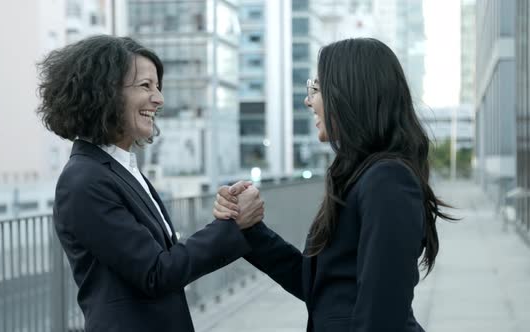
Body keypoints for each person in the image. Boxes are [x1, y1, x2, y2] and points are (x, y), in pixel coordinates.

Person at [214, 38, 454, 332]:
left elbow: (381, 316)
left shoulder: (388, 181)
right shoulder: (360, 175)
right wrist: (249, 228)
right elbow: (321, 287)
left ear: (350, 93)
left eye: (316, 88)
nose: (308, 100)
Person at [37, 35, 264, 332]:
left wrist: (228, 218)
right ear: (104, 92)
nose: (159, 99)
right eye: (146, 86)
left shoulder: (119, 169)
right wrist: (232, 226)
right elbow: (156, 271)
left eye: (157, 87)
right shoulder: (84, 180)